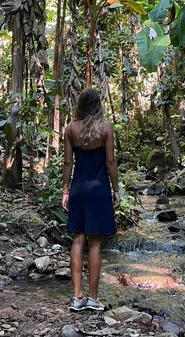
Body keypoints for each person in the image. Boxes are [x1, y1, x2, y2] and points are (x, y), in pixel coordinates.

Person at [61, 88, 120, 312]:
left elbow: (68, 164)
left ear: (80, 106)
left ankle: (77, 298)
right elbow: (111, 162)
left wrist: (65, 190)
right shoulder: (106, 129)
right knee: (95, 242)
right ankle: (93, 299)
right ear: (98, 106)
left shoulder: (70, 129)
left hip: (78, 189)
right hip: (99, 190)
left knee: (78, 239)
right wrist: (116, 190)